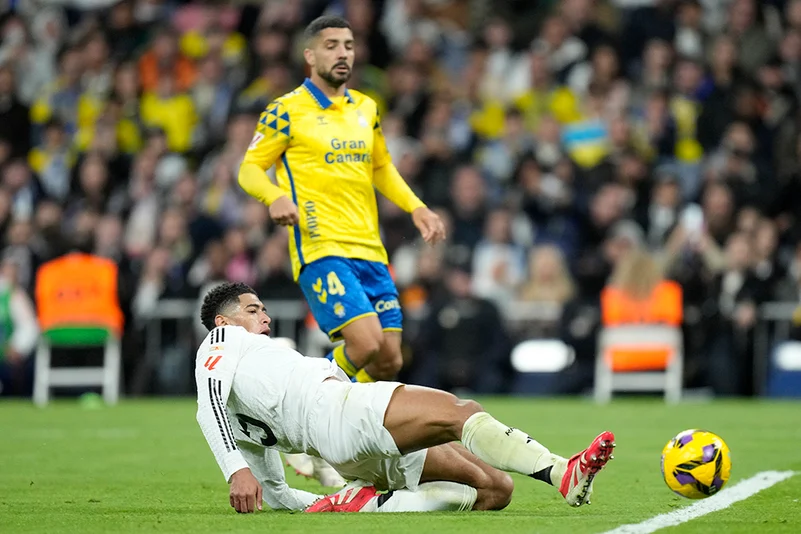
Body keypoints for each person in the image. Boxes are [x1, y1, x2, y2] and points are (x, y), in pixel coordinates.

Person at [194, 282, 615, 514]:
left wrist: (320, 503)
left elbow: (279, 493)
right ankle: (563, 473)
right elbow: (207, 403)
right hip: (341, 413)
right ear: (222, 321)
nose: (264, 316)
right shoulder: (221, 341)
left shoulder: (243, 407)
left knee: (495, 490)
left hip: (341, 446)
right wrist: (235, 471)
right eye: (252, 310)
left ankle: (365, 502)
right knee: (461, 411)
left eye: (263, 309)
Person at [237, 15, 446, 385]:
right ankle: (304, 407)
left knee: (389, 360)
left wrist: (417, 206)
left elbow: (381, 168)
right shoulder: (286, 109)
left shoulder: (366, 108)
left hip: (370, 248)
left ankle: (344, 430)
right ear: (310, 56)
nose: (342, 53)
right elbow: (250, 168)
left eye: (348, 46)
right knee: (365, 344)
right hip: (321, 247)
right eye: (331, 46)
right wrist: (274, 197)